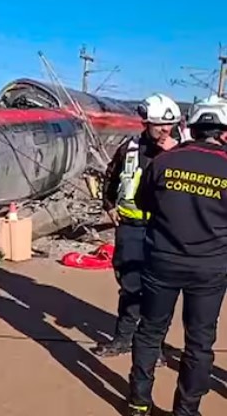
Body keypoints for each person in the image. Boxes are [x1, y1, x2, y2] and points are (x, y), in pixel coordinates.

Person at [126, 95, 227, 416]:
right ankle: (186, 411)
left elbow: (143, 203)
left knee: (150, 331)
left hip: (162, 262)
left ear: (191, 128)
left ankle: (139, 402)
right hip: (210, 268)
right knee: (198, 344)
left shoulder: (163, 162)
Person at [94, 93, 181, 359]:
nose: (166, 130)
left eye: (171, 125)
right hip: (131, 228)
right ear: (146, 123)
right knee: (130, 286)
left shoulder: (182, 152)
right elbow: (111, 176)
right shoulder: (128, 148)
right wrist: (108, 205)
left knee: (160, 291)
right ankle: (123, 339)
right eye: (160, 125)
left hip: (164, 232)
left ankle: (153, 346)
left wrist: (175, 154)